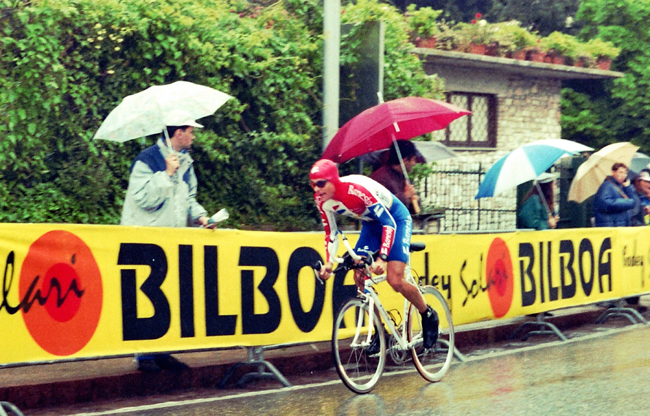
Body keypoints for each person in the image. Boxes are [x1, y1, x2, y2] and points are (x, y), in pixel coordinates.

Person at [121, 109, 216, 372]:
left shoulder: (186, 162)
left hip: (171, 241)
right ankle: (144, 356)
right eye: (191, 131)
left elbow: (188, 198)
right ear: (178, 133)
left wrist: (201, 217)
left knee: (169, 295)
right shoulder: (147, 159)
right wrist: (165, 174)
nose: (194, 136)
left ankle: (162, 350)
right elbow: (143, 199)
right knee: (147, 295)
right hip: (145, 240)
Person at [309, 159, 439, 349]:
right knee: (360, 276)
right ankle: (380, 332)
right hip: (371, 224)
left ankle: (427, 314)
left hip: (395, 219)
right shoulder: (321, 199)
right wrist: (329, 263)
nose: (317, 189)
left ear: (333, 180)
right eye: (313, 184)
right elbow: (331, 233)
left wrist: (383, 257)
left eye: (321, 183)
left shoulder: (356, 189)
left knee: (394, 280)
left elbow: (389, 223)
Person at [370, 140, 424, 214]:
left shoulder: (402, 176)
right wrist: (405, 196)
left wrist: (414, 200)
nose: (414, 163)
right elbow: (381, 206)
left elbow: (407, 210)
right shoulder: (380, 178)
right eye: (413, 159)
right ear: (405, 160)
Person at [593, 162, 638, 227]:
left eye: (625, 173)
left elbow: (635, 202)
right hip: (611, 225)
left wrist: (627, 187)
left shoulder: (623, 187)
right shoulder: (606, 186)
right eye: (620, 172)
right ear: (613, 172)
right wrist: (628, 202)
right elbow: (605, 203)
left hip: (620, 225)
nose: (623, 175)